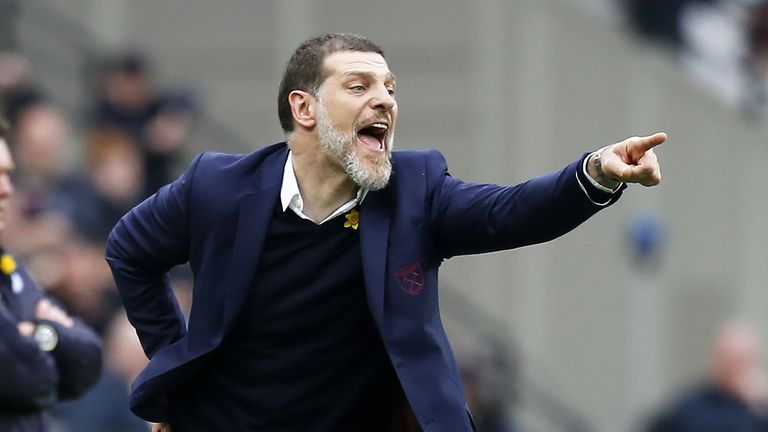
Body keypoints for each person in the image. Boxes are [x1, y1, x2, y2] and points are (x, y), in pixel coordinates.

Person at [106, 33, 664, 432]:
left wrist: (594, 172)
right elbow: (129, 251)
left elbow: (511, 212)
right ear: (304, 107)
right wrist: (174, 366)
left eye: (390, 88)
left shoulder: (416, 189)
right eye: (359, 85)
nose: (385, 100)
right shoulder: (217, 186)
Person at [0, 117, 103, 431]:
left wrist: (40, 334)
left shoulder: (10, 266)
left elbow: (88, 360)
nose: (7, 189)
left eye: (8, 174)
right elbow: (31, 378)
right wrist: (51, 334)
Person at [644, 319, 768, 431]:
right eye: (729, 359)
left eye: (742, 360)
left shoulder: (760, 408)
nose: (735, 367)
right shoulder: (690, 407)